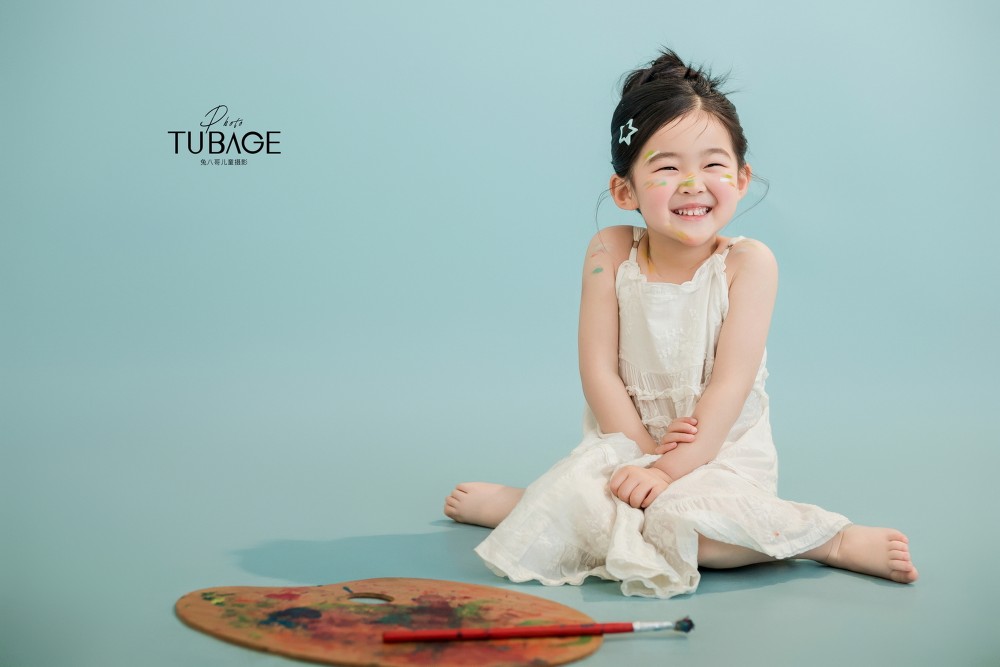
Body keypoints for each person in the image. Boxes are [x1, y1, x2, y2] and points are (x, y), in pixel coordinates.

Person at [443, 49, 918, 598]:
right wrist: (642, 455)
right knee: (610, 497)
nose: (693, 183)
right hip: (625, 440)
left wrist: (667, 471)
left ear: (741, 177)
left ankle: (826, 540)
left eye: (713, 165)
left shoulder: (748, 264)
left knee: (700, 535)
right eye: (667, 168)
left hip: (717, 450)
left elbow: (730, 386)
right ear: (625, 190)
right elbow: (598, 370)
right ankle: (530, 502)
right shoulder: (609, 251)